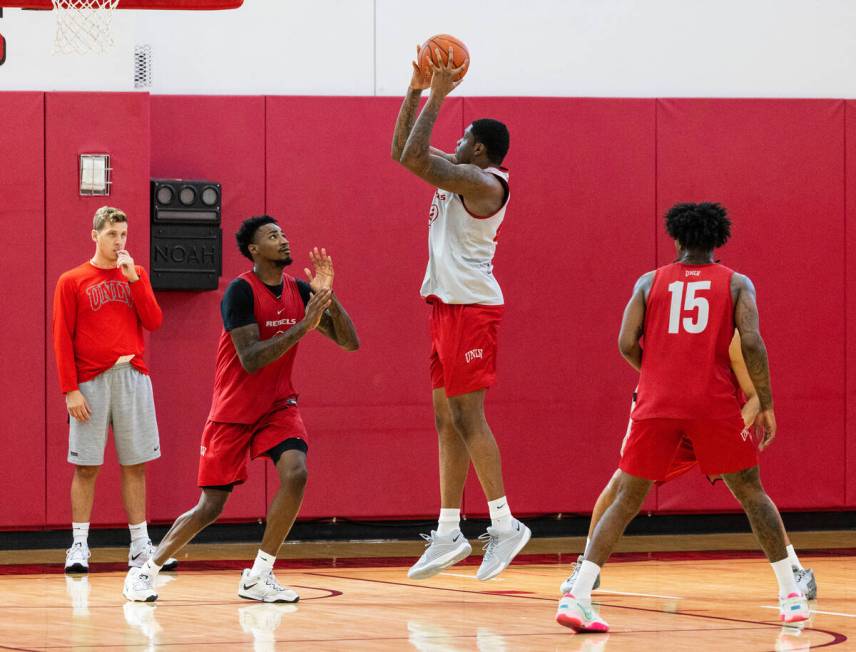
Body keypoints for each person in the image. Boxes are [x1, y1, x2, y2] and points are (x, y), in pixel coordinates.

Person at [556, 202, 810, 633]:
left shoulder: (648, 281)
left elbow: (624, 342)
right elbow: (752, 342)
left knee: (625, 498)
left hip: (657, 402)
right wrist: (765, 400)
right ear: (718, 240)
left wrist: (658, 372)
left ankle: (577, 595)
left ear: (676, 238)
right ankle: (791, 594)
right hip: (712, 403)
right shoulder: (736, 284)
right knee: (751, 493)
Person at [123, 215, 359, 602]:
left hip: (278, 406)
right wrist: (303, 325)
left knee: (296, 473)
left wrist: (327, 298)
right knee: (210, 507)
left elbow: (350, 343)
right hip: (233, 411)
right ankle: (145, 571)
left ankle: (259, 575)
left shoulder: (298, 290)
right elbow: (251, 358)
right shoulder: (240, 292)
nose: (283, 240)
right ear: (254, 250)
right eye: (272, 236)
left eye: (283, 233)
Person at [391, 46, 530, 581]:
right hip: (446, 306)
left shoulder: (487, 183)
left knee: (469, 416)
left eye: (463, 135)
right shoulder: (457, 173)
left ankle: (505, 523)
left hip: (473, 307)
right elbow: (405, 153)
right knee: (445, 418)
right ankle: (449, 531)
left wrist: (440, 93)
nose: (456, 139)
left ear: (480, 148)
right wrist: (414, 88)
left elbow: (420, 157)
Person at [559, 333, 817, 600]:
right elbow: (644, 387)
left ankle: (795, 571)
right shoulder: (668, 338)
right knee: (620, 485)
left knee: (750, 493)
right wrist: (630, 430)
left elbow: (754, 397)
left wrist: (732, 434)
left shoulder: (730, 337)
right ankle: (588, 568)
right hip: (671, 427)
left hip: (717, 421)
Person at [53, 206, 176, 573]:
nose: (119, 241)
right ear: (94, 235)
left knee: (135, 464)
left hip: (131, 375)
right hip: (90, 381)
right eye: (111, 234)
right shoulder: (72, 280)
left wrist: (134, 281)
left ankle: (140, 546)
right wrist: (69, 390)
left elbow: (154, 320)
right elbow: (62, 339)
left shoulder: (135, 274)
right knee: (86, 465)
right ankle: (78, 545)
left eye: (122, 234)